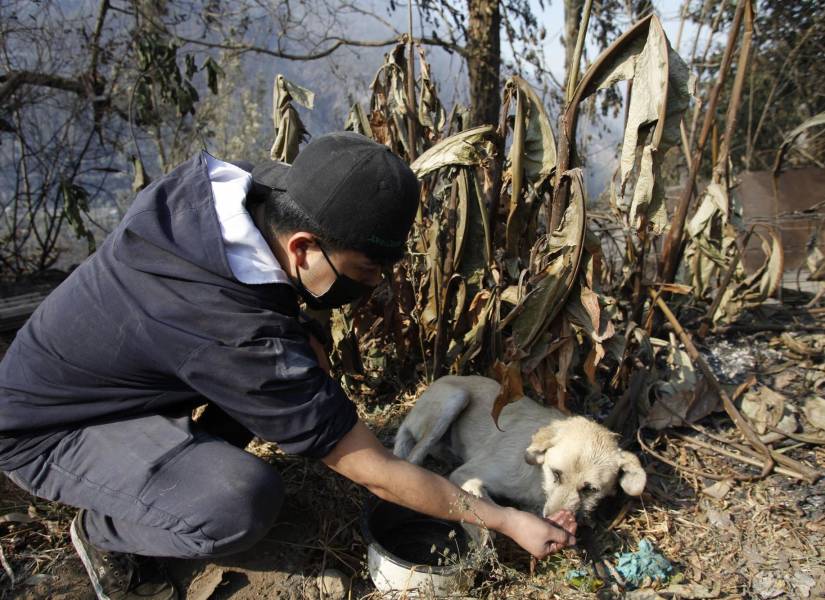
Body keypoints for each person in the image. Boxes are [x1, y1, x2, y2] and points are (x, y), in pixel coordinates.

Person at [0, 132, 576, 599]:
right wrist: (504, 521)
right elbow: (374, 469)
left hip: (116, 376)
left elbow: (275, 322)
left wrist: (306, 331)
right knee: (238, 503)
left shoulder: (246, 192)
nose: (368, 290)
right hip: (48, 430)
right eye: (362, 273)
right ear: (301, 247)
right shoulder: (232, 329)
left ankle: (170, 459)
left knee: (296, 376)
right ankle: (107, 533)